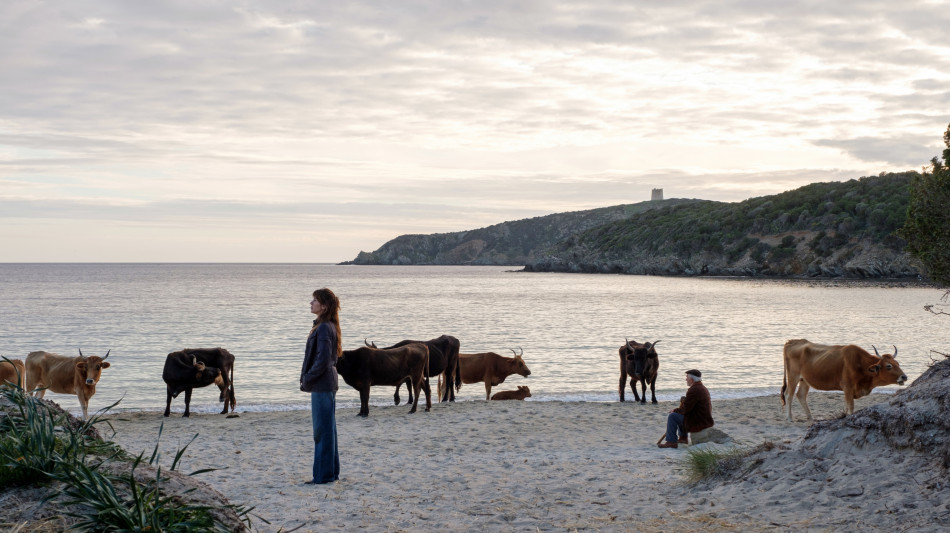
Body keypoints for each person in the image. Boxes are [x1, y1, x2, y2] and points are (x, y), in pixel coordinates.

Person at [300, 288, 341, 484]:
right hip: (327, 383)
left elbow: (324, 359)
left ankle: (323, 476)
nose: (311, 303)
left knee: (322, 432)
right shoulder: (327, 325)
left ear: (323, 306)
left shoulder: (324, 327)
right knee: (328, 430)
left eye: (314, 300)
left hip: (322, 384)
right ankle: (330, 473)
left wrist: (308, 378)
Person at [658, 369, 713, 449]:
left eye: (687, 377)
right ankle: (683, 438)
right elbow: (689, 408)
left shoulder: (694, 390)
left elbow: (686, 409)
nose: (685, 379)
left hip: (699, 420)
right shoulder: (701, 388)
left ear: (692, 379)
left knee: (673, 416)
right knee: (681, 415)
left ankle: (671, 442)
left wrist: (675, 410)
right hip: (703, 418)